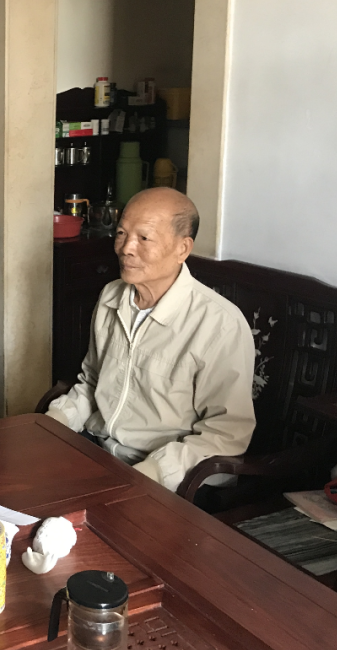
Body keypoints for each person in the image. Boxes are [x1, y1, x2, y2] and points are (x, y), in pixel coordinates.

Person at [45, 187, 255, 493]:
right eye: (121, 233)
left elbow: (225, 434)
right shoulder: (111, 296)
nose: (126, 248)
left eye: (144, 238)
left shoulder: (219, 324)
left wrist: (153, 471)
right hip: (100, 452)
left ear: (182, 248)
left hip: (169, 479)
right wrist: (54, 421)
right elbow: (92, 382)